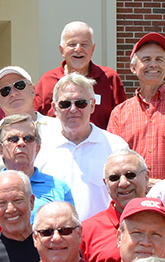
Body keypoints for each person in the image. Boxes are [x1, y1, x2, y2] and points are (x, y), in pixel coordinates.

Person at [34, 74, 130, 222]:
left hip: (102, 237)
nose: (73, 109)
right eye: (65, 104)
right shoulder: (40, 149)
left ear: (92, 106)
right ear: (55, 108)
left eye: (80, 103)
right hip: (56, 238)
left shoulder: (116, 147)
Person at [105, 33, 165, 181]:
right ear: (133, 67)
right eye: (146, 59)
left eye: (159, 59)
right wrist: (140, 182)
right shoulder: (119, 113)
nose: (153, 64)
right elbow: (113, 157)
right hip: (132, 195)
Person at [0, 113, 76, 208]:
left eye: (28, 139)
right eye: (13, 139)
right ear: (0, 149)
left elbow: (70, 227)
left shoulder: (59, 188)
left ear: (37, 148)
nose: (21, 143)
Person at [33, 21, 124, 130]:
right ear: (62, 50)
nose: (78, 49)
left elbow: (121, 120)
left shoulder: (110, 78)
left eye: (84, 44)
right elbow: (36, 121)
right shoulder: (47, 81)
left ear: (93, 49)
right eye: (72, 44)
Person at [80, 149, 153, 262]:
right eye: (114, 178)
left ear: (146, 177)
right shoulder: (86, 231)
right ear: (106, 184)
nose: (123, 183)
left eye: (130, 175)